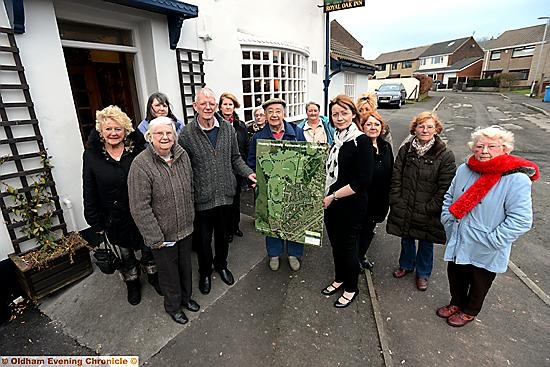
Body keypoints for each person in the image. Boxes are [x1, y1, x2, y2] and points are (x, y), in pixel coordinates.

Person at [438, 126, 539, 327]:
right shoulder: (464, 169)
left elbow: (521, 220)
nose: (484, 151)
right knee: (456, 273)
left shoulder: (515, 179)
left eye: (492, 146)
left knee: (479, 280)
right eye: (480, 146)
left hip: (487, 242)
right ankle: (456, 302)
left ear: (505, 149)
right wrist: (447, 218)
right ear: (473, 148)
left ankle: (470, 311)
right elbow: (450, 196)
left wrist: (493, 240)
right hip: (460, 235)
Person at [179, 87, 256, 295]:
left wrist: (249, 174)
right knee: (203, 241)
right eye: (203, 103)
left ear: (216, 106)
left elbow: (235, 158)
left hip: (225, 195)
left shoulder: (227, 129)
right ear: (195, 106)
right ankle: (205, 272)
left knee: (223, 236)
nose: (207, 107)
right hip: (202, 199)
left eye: (211, 103)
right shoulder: (186, 133)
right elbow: (183, 167)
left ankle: (221, 265)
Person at [83, 105, 160, 306]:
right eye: (109, 129)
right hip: (114, 216)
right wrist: (94, 221)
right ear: (101, 130)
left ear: (126, 130)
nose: (113, 133)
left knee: (148, 247)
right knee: (125, 254)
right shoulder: (92, 156)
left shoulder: (139, 150)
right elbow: (89, 189)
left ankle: (152, 274)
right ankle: (132, 282)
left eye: (118, 129)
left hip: (142, 211)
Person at [128, 117, 198, 325]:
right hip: (162, 236)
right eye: (159, 133)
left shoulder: (182, 155)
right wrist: (154, 237)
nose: (165, 137)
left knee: (186, 268)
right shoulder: (140, 165)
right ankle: (173, 307)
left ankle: (186, 299)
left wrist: (191, 216)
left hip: (185, 228)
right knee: (169, 275)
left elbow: (191, 187)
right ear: (149, 137)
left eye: (169, 133)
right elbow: (139, 207)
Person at [386, 111, 456, 291]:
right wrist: (396, 199)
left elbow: (446, 186)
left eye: (429, 126)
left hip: (428, 208)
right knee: (406, 237)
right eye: (421, 126)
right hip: (405, 203)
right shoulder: (406, 150)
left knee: (426, 241)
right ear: (415, 129)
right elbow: (396, 175)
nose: (425, 130)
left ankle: (423, 273)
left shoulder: (445, 154)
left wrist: (432, 206)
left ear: (436, 129)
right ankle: (406, 265)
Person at [321, 95, 373, 308]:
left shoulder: (360, 140)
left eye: (344, 113)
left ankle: (351, 288)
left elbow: (362, 181)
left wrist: (332, 196)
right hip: (332, 205)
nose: (339, 117)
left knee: (348, 248)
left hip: (350, 205)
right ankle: (339, 278)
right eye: (335, 114)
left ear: (353, 114)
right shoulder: (337, 138)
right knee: (336, 246)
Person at [247, 98, 306, 272]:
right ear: (265, 115)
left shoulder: (296, 132)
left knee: (293, 220)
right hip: (269, 188)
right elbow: (251, 162)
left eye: (278, 111)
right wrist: (253, 180)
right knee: (271, 222)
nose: (274, 114)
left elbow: (306, 158)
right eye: (270, 111)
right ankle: (274, 254)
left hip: (292, 187)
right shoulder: (258, 137)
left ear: (284, 113)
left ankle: (294, 254)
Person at [356, 110, 394, 271]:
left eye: (376, 124)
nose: (373, 127)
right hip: (360, 199)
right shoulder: (358, 147)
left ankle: (361, 255)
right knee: (356, 231)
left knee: (369, 231)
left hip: (379, 199)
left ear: (381, 127)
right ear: (362, 127)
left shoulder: (386, 147)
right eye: (369, 124)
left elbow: (391, 171)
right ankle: (353, 261)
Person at [215, 92, 249, 242]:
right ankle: (226, 230)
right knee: (224, 203)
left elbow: (245, 146)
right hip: (221, 169)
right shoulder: (214, 124)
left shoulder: (240, 125)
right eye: (225, 104)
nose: (228, 107)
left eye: (231, 104)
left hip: (237, 168)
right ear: (220, 106)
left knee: (236, 201)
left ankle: (235, 226)